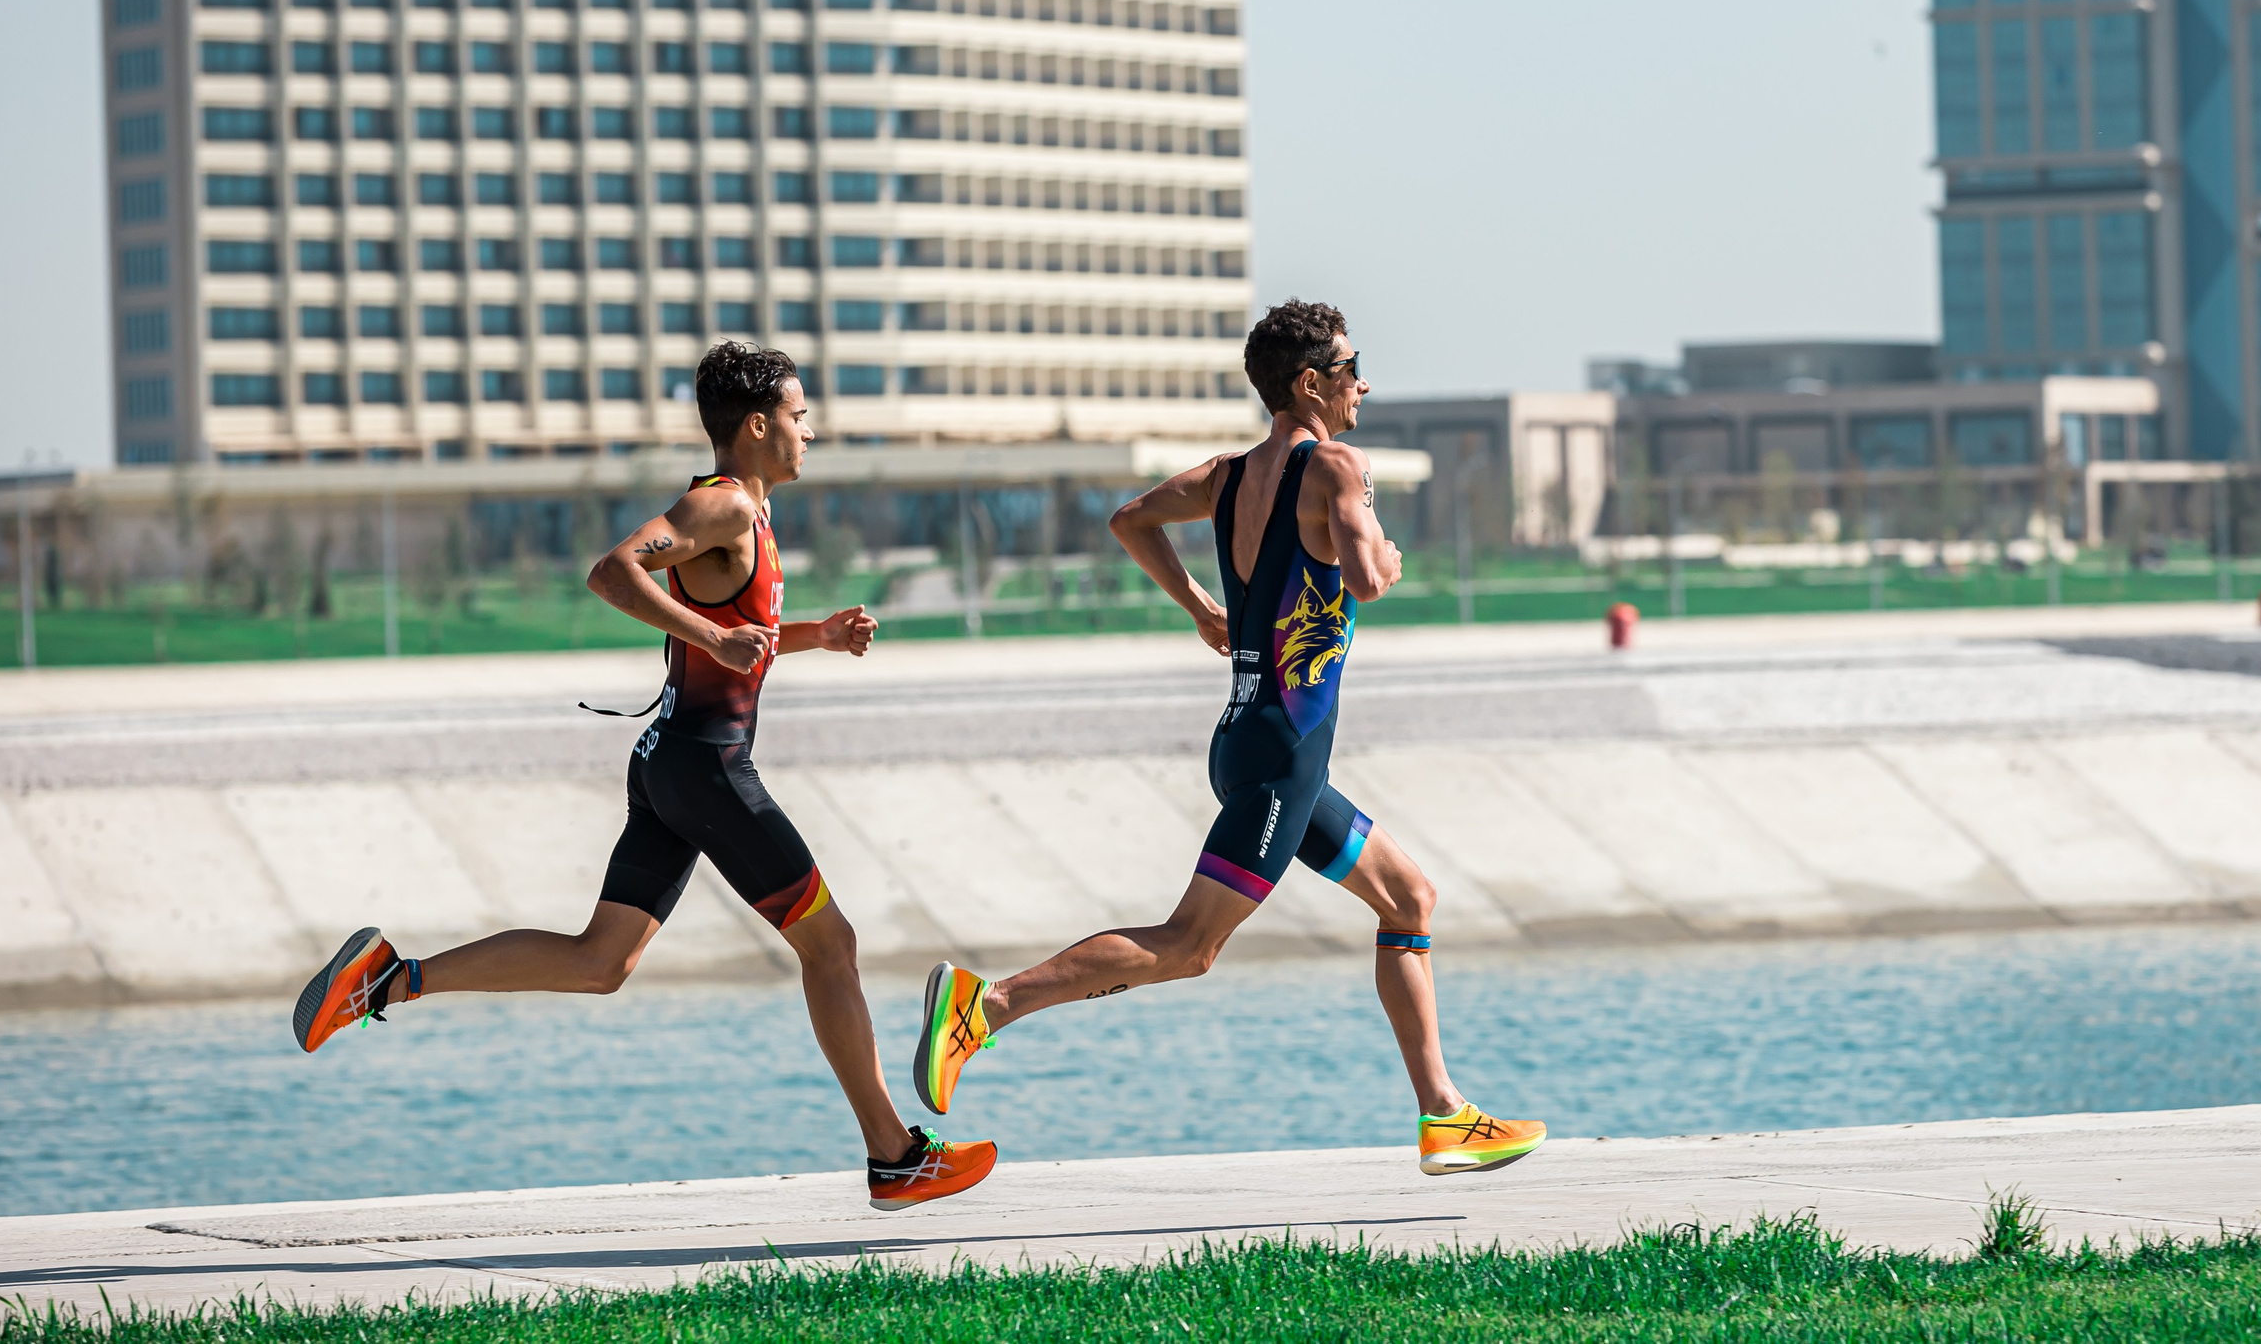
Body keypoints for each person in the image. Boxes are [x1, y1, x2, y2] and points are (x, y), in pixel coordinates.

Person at [288, 340, 996, 1213]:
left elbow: (737, 632)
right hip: (707, 768)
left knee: (600, 961)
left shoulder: (747, 514)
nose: (810, 431)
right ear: (758, 425)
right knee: (831, 945)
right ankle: (894, 1155)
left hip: (670, 763)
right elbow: (612, 571)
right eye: (800, 415)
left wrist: (816, 635)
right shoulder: (724, 504)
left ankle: (385, 978)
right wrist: (711, 638)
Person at [910, 300, 1545, 1176]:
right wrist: (1386, 558)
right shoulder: (1340, 466)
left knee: (1409, 898)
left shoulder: (1228, 475)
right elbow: (1368, 577)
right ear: (1310, 383)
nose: (1364, 385)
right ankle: (987, 1005)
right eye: (1353, 368)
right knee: (1189, 946)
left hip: (1253, 741)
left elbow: (1130, 518)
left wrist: (1202, 608)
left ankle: (1444, 1115)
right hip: (1283, 756)